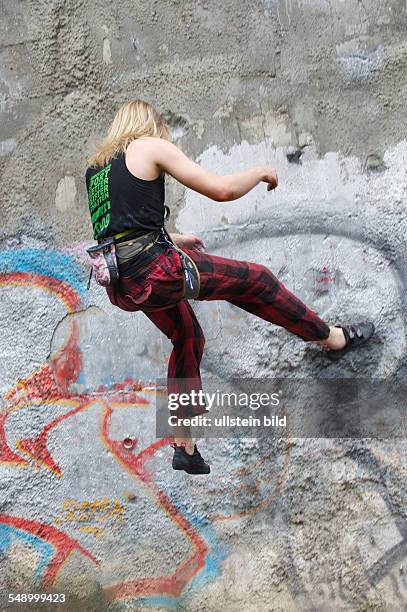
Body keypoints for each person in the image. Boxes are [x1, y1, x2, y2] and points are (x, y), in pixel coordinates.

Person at [85, 99, 374, 475]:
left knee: (187, 335)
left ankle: (184, 440)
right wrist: (259, 172)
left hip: (124, 285)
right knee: (257, 280)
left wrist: (172, 238)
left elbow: (119, 229)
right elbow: (221, 190)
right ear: (149, 125)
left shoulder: (96, 169)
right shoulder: (149, 145)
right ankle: (330, 338)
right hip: (158, 272)